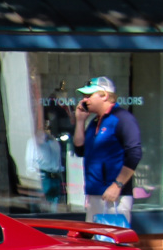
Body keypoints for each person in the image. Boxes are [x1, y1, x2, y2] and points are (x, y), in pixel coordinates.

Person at [72, 76, 142, 223]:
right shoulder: (94, 122)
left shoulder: (122, 118)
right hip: (94, 194)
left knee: (113, 242)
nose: (85, 100)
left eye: (89, 95)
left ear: (104, 95)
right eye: (84, 96)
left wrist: (118, 184)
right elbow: (80, 150)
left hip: (114, 195)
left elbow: (134, 153)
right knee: (95, 243)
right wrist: (80, 121)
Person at [24, 110, 64, 211]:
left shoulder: (54, 142)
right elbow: (30, 164)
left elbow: (58, 162)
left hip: (55, 179)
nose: (47, 127)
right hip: (43, 178)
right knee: (40, 210)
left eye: (49, 124)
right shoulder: (33, 142)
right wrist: (37, 181)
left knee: (54, 210)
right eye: (45, 124)